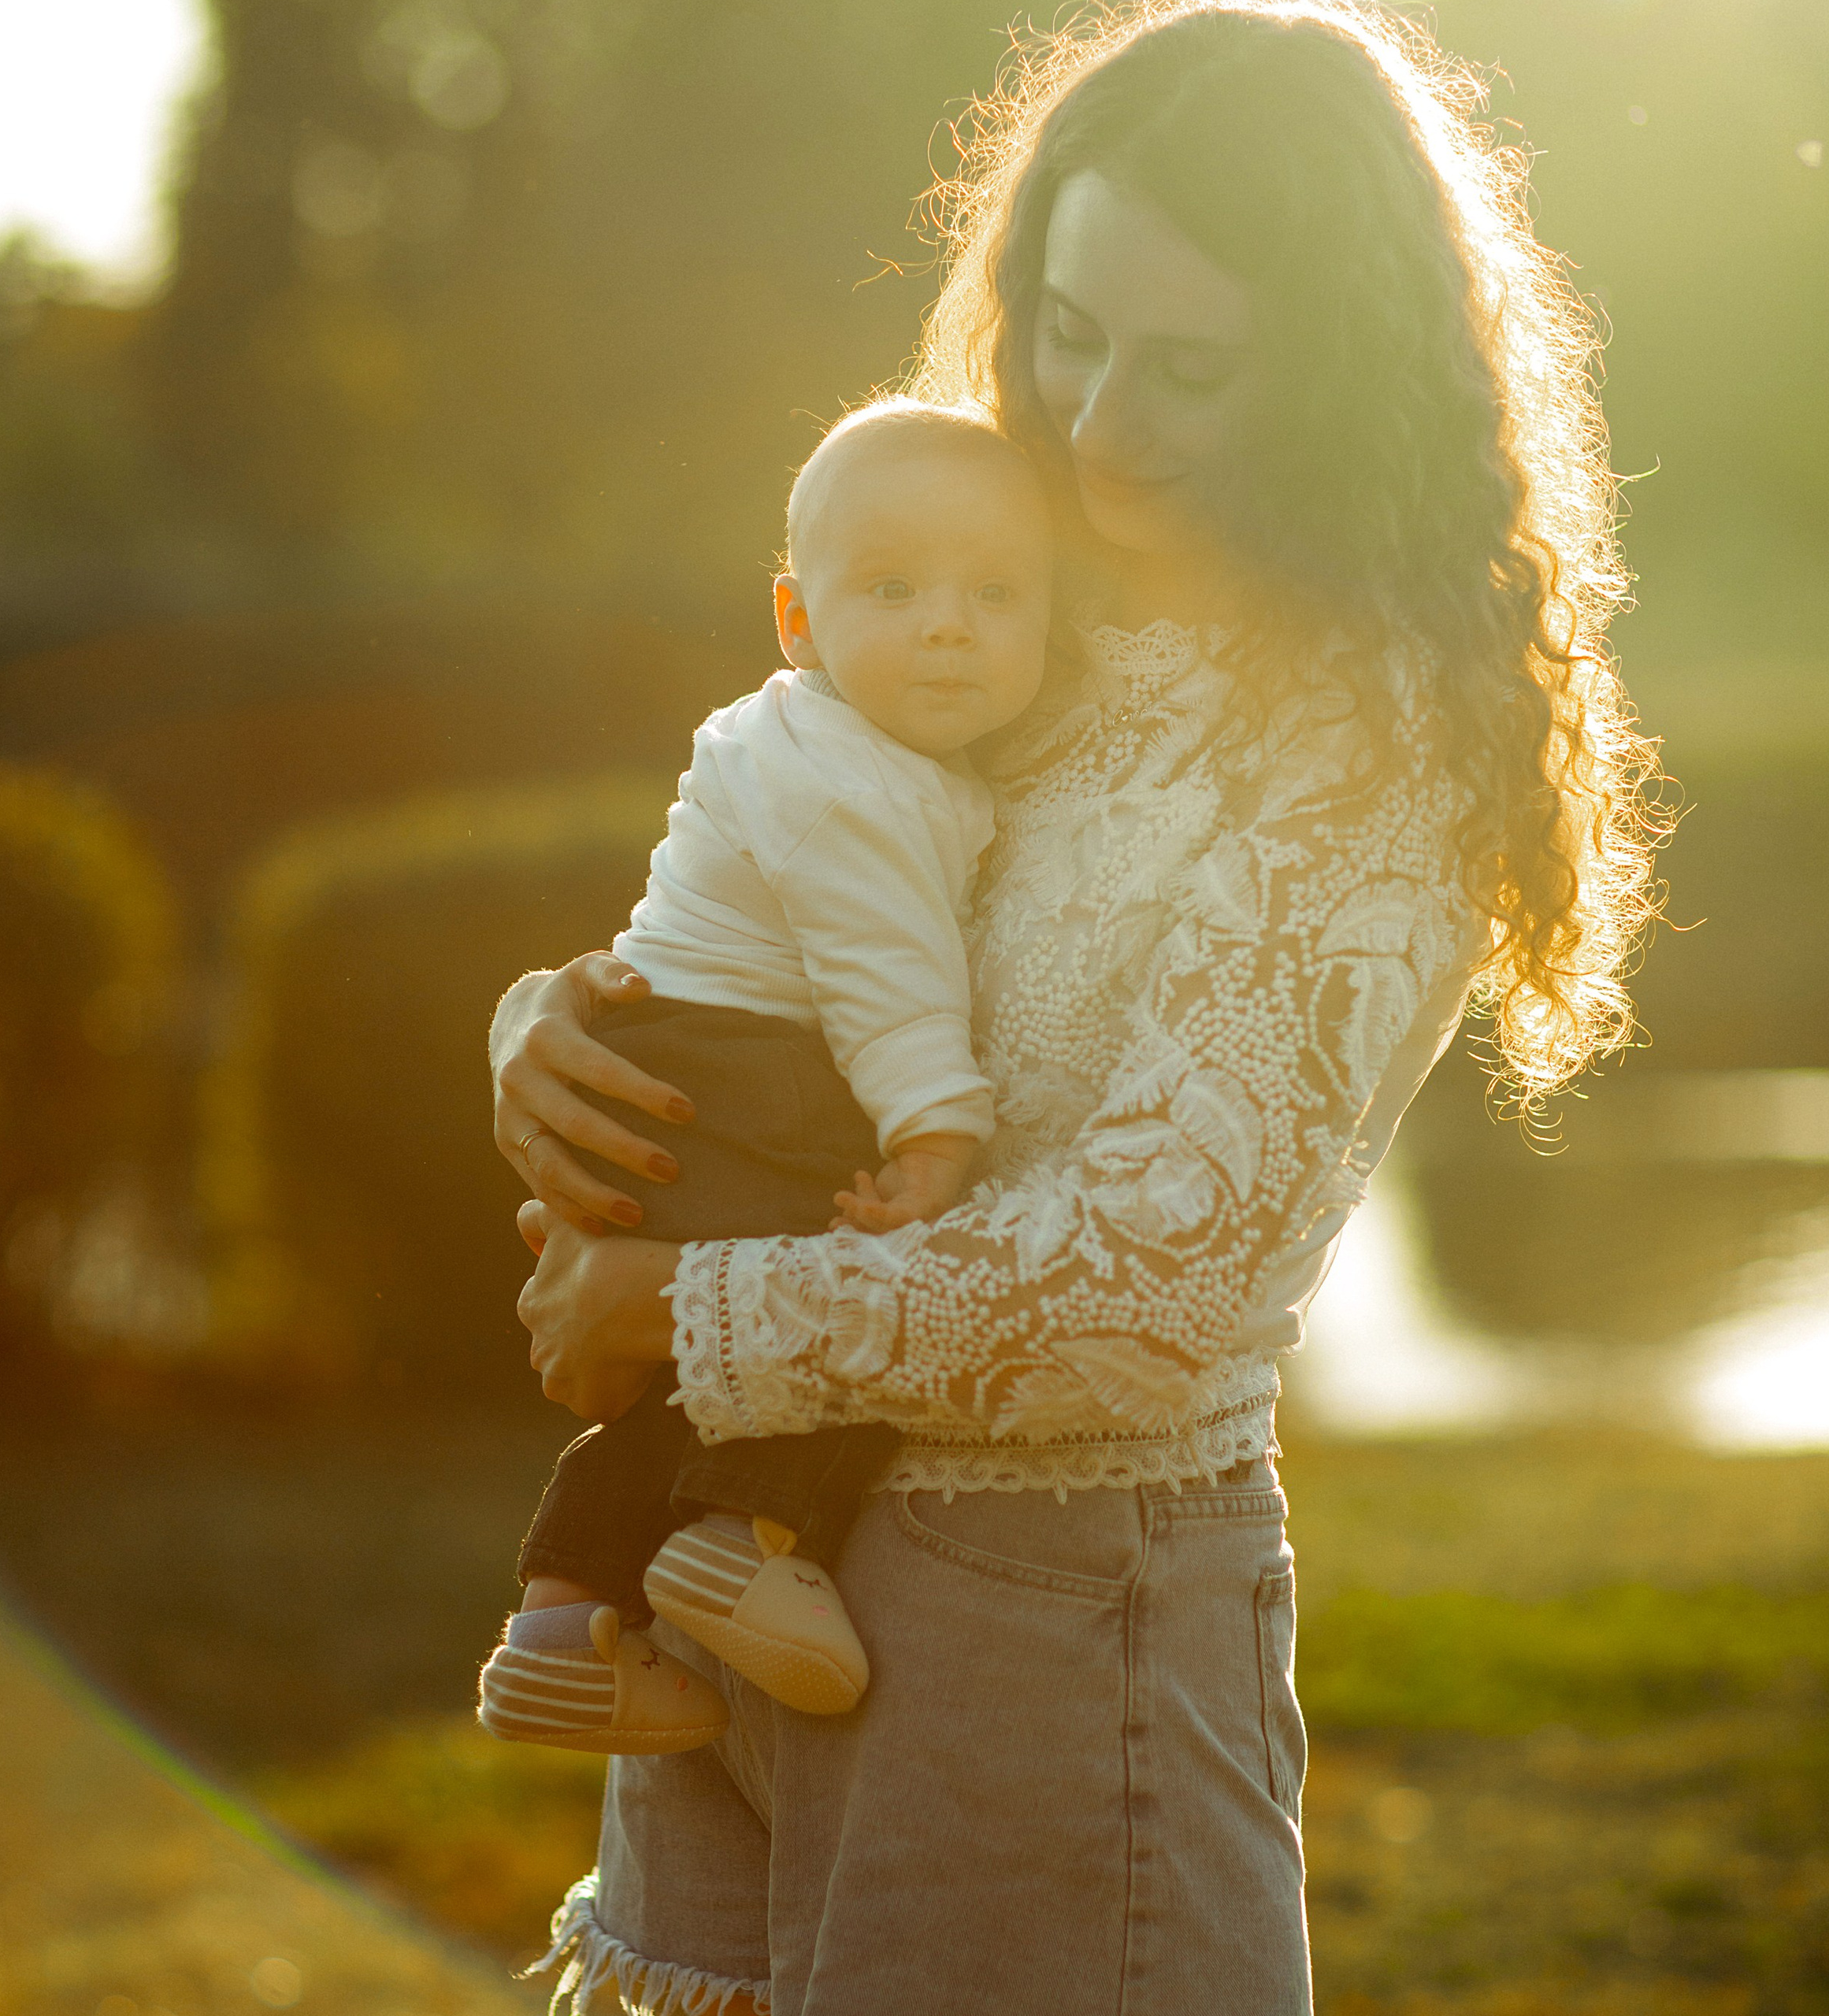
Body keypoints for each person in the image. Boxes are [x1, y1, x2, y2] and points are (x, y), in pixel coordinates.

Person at [489, 3, 1662, 2010]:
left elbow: (1160, 1271)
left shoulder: (1368, 747)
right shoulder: (999, 613)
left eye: (1189, 365)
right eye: (1066, 326)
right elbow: (776, 881)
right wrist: (560, 1025)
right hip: (727, 1591)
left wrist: (678, 1310)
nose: (1100, 415)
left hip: (1045, 1637)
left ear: (1342, 373)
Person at [477, 400, 1052, 1753]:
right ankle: (748, 1534)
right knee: (852, 1292)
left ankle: (563, 1622)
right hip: (740, 1076)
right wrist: (935, 1139)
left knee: (692, 1367)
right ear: (798, 620)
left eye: (996, 594)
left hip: (679, 1057)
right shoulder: (859, 782)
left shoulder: (801, 736)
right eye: (895, 591)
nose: (950, 625)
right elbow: (889, 976)